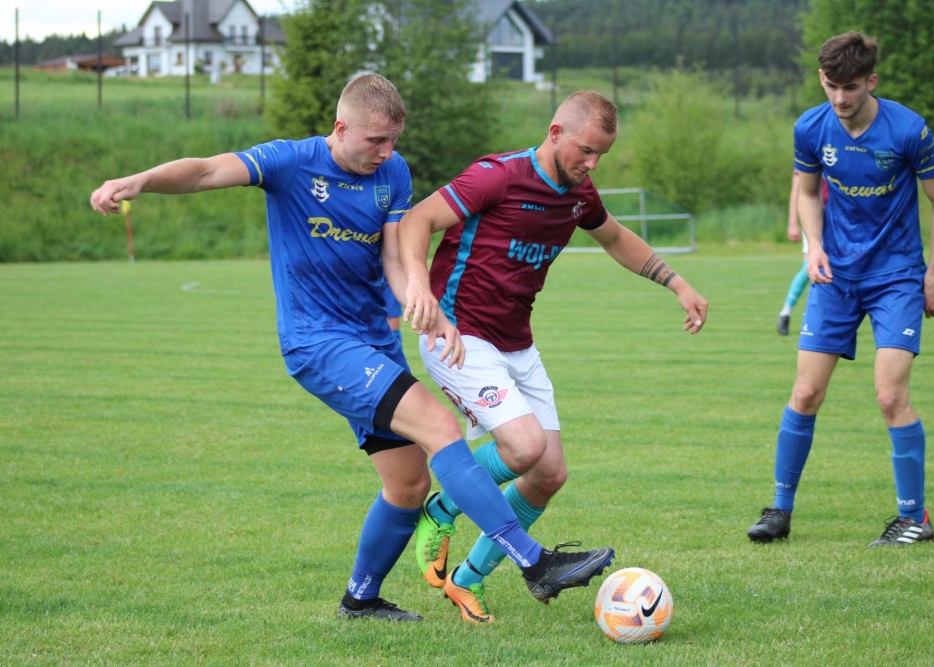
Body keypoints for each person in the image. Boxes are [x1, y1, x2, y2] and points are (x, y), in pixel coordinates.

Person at [89, 74, 615, 622]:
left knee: (408, 482)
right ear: (341, 128)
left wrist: (424, 304)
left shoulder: (393, 172)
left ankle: (360, 600)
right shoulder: (290, 162)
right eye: (376, 141)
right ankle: (535, 563)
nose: (386, 152)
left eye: (394, 141)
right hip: (318, 342)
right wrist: (139, 180)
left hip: (375, 342)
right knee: (440, 427)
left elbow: (393, 257)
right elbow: (205, 171)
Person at [398, 91, 709, 623]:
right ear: (556, 132)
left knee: (549, 474)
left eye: (601, 155)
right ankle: (445, 504)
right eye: (586, 150)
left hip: (517, 343)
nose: (592, 164)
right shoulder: (497, 177)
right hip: (459, 336)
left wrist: (677, 283)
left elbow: (614, 237)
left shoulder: (579, 194)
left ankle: (466, 580)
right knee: (524, 447)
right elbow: (416, 221)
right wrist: (418, 288)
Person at [746, 33, 934, 546]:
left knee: (890, 395)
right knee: (805, 392)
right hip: (835, 276)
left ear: (871, 81)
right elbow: (807, 191)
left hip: (896, 276)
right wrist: (814, 246)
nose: (840, 97)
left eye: (852, 87)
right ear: (822, 79)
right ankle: (779, 510)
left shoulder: (908, 130)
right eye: (832, 85)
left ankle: (915, 519)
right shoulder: (810, 127)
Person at [776, 170, 829, 336]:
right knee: (809, 266)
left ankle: (836, 319)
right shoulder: (808, 154)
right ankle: (785, 312)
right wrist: (792, 222)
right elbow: (798, 190)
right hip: (814, 218)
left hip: (840, 219)